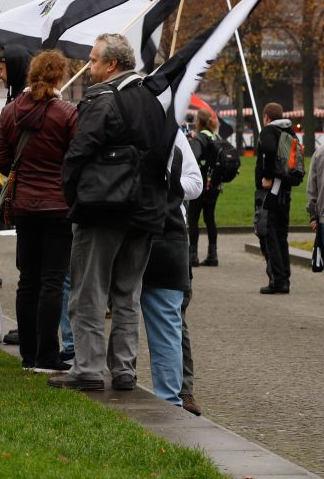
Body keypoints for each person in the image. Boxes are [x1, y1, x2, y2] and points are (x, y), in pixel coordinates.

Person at [50, 33, 171, 392]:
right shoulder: (154, 98)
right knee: (127, 294)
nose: (89, 67)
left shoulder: (101, 98)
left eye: (93, 60)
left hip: (103, 208)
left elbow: (79, 151)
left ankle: (87, 368)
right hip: (146, 208)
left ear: (112, 65)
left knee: (88, 291)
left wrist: (72, 194)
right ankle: (124, 370)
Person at [0, 51, 79, 373]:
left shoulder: (10, 112)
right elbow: (76, 160)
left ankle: (28, 355)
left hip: (24, 207)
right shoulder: (68, 113)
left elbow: (0, 161)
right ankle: (47, 355)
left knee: (28, 280)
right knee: (53, 281)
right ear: (59, 77)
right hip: (59, 207)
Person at [141, 130, 202, 407]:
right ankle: (122, 380)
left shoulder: (171, 131)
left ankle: (182, 390)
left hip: (170, 232)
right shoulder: (117, 119)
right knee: (123, 314)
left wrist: (167, 182)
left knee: (174, 314)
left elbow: (195, 182)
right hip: (130, 229)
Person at [255, 103, 297, 294]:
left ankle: (277, 280)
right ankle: (285, 278)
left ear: (266, 117)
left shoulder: (269, 132)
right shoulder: (289, 131)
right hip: (286, 191)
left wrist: (267, 176)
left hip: (272, 192)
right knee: (282, 235)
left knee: (268, 234)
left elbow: (269, 151)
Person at [187, 109, 224, 267]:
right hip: (214, 184)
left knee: (193, 218)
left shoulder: (200, 137)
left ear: (199, 122)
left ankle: (193, 255)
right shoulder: (215, 136)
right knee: (210, 219)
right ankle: (212, 254)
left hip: (201, 183)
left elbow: (194, 156)